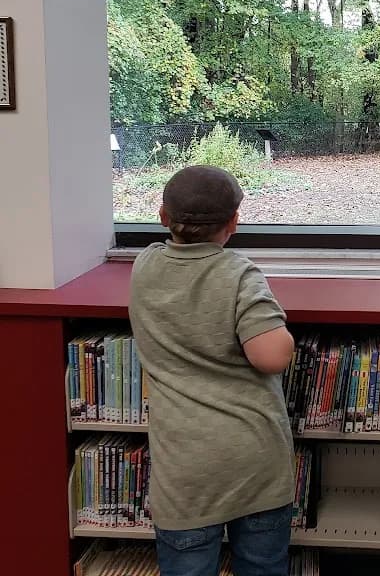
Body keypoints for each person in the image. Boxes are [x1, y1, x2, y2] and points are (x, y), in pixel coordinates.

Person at [129, 165, 296, 576]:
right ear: (234, 222)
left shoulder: (144, 265)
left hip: (183, 474)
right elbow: (272, 356)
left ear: (163, 217)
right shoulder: (238, 274)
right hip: (254, 463)